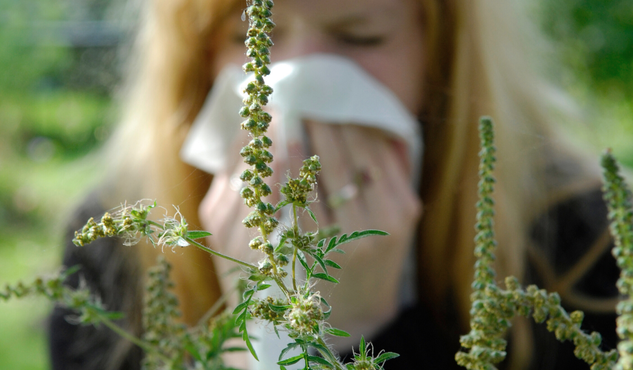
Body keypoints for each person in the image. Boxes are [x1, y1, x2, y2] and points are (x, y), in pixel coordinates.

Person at [48, 0, 620, 369]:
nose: (295, 75)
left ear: (441, 55)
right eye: (253, 36)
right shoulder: (118, 246)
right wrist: (262, 331)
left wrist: (361, 331)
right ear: (195, 58)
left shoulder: (586, 243)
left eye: (359, 36)